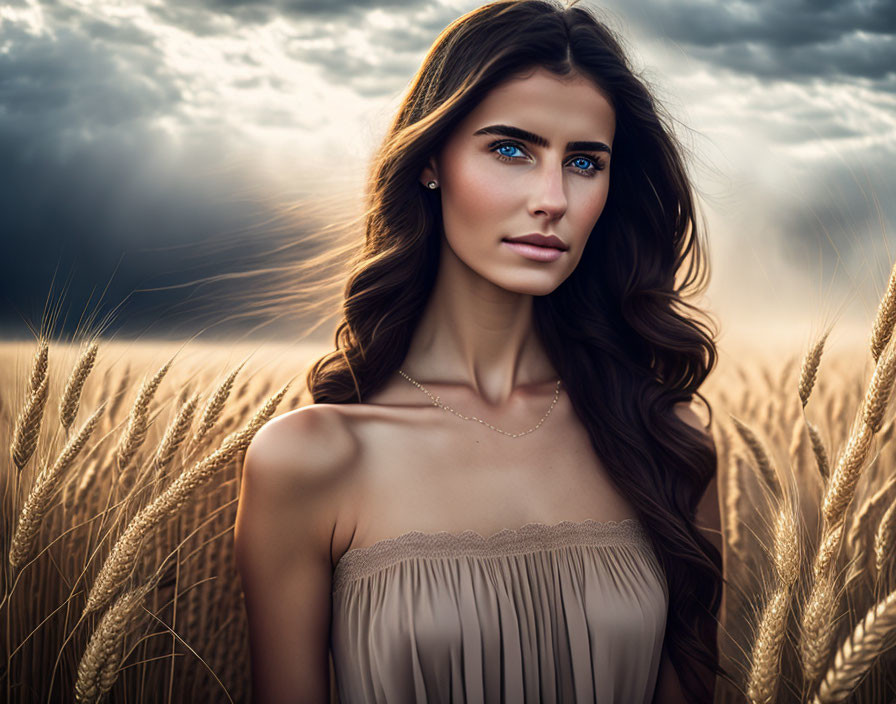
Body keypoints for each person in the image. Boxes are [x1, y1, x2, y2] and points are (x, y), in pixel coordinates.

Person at [234, 0, 731, 701]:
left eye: (585, 161)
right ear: (431, 161)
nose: (552, 198)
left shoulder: (664, 447)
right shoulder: (311, 460)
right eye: (510, 150)